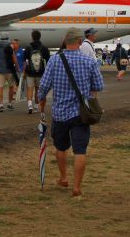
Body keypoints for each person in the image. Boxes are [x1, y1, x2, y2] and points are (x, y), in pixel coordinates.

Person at [39, 27, 104, 197]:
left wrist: (41, 100)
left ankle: (63, 178)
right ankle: (77, 187)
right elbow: (99, 86)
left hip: (60, 111)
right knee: (80, 150)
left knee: (61, 147)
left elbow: (44, 86)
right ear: (80, 42)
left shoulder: (54, 61)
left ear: (65, 42)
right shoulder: (89, 62)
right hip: (81, 113)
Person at [22, 30, 50, 114]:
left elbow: (24, 60)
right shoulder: (44, 48)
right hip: (40, 72)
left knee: (30, 88)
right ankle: (36, 106)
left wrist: (24, 71)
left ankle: (30, 105)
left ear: (32, 37)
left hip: (30, 71)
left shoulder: (28, 48)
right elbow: (48, 60)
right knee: (38, 89)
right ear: (40, 37)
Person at [0, 37, 17, 112]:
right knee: (11, 87)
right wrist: (16, 66)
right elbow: (14, 58)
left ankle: (1, 105)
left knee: (0, 87)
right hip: (9, 70)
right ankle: (9, 104)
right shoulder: (9, 47)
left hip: (0, 70)